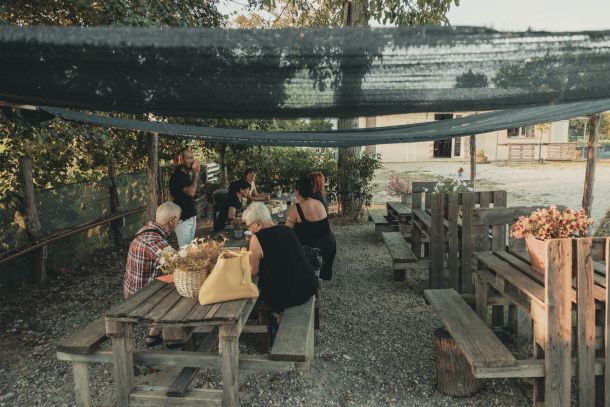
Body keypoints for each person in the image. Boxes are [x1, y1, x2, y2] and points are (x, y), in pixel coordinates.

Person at [122, 202, 181, 347]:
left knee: (173, 280)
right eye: (178, 219)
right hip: (141, 298)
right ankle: (173, 336)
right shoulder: (153, 240)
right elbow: (180, 264)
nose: (179, 223)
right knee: (183, 288)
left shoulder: (146, 230)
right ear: (172, 220)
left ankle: (154, 333)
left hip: (132, 291)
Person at [244, 202, 318, 313]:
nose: (249, 230)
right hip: (308, 286)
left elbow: (253, 271)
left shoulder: (257, 238)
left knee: (255, 295)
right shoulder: (287, 230)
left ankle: (268, 318)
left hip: (287, 296)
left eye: (249, 226)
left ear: (258, 224)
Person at [285, 175, 337, 280]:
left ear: (298, 190)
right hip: (329, 243)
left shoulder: (296, 208)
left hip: (313, 249)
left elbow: (287, 231)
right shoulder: (319, 203)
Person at [169, 149, 200, 247]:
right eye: (189, 158)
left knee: (190, 249)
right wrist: (195, 174)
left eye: (193, 158)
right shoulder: (177, 176)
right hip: (183, 219)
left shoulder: (186, 175)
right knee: (185, 250)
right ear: (181, 159)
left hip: (191, 217)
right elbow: (191, 192)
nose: (192, 161)